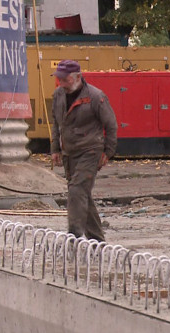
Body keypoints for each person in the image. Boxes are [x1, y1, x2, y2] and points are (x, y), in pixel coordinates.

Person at [50, 59, 117, 242]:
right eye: (59, 79)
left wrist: (108, 152)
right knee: (82, 194)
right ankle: (97, 241)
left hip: (91, 150)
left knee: (76, 190)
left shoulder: (95, 96)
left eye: (65, 80)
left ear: (78, 77)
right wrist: (55, 148)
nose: (61, 83)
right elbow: (56, 123)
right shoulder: (58, 95)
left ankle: (74, 235)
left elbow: (111, 125)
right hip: (69, 152)